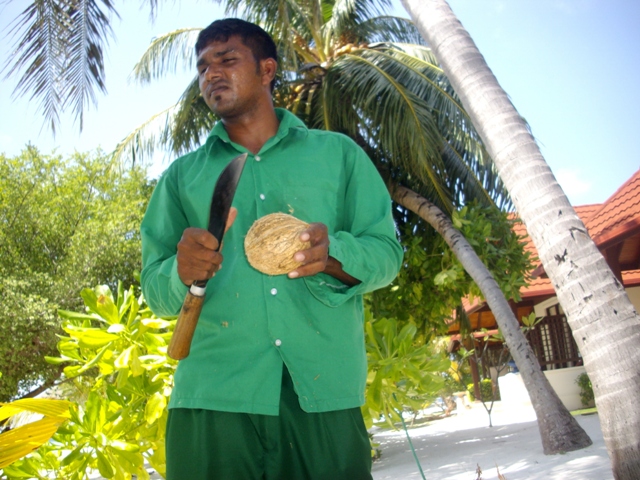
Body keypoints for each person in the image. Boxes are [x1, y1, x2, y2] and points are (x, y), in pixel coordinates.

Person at [140, 18, 403, 480]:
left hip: (322, 392)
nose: (211, 74)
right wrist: (178, 271)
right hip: (213, 396)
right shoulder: (181, 178)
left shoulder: (338, 155)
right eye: (202, 67)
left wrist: (333, 256)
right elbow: (156, 291)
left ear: (266, 70)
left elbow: (386, 254)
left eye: (227, 60)